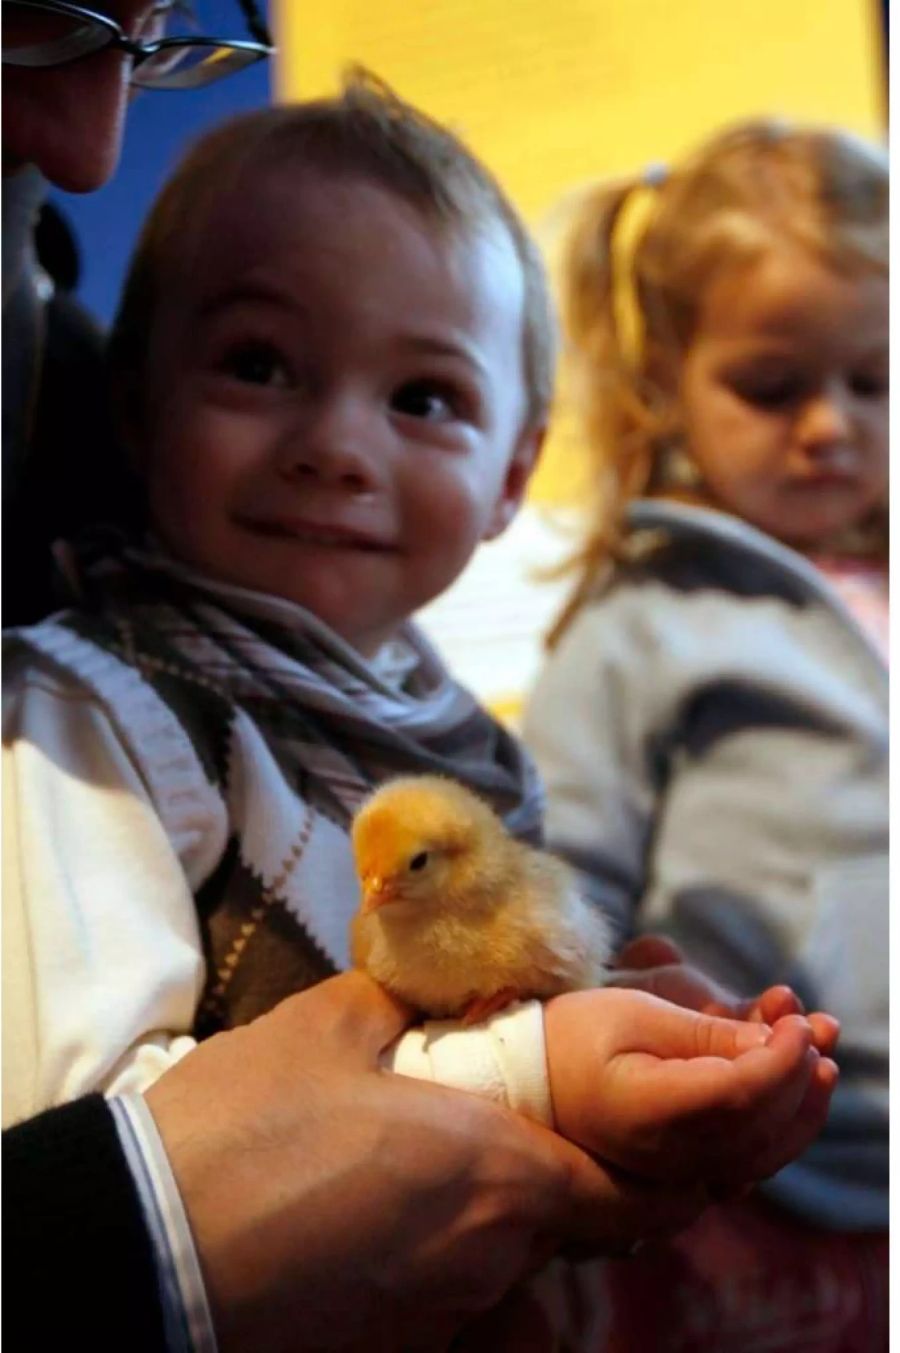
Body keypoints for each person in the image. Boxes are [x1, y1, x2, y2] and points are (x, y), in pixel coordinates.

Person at [3, 75, 839, 1349]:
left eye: (422, 399)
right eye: (259, 364)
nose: (337, 443)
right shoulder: (94, 716)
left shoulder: (458, 741)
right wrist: (545, 1075)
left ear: (511, 474)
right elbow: (118, 1154)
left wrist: (622, 1024)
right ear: (133, 403)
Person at [524, 119, 888, 1350]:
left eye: (872, 381)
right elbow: (569, 881)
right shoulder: (646, 622)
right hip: (746, 1175)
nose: (831, 426)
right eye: (772, 387)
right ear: (666, 379)